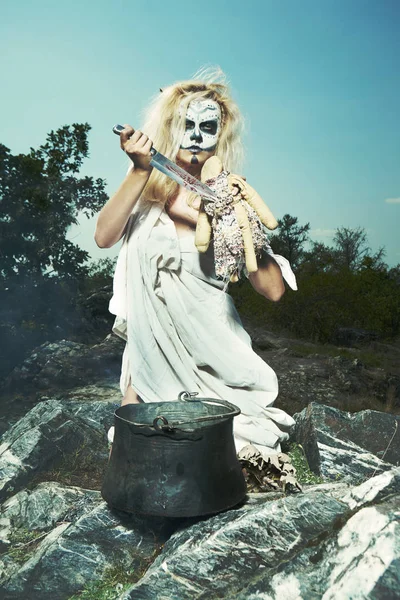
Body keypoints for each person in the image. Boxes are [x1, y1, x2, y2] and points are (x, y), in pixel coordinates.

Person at [95, 69, 297, 457]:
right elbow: (104, 236)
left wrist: (242, 229)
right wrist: (140, 168)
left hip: (215, 354)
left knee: (226, 449)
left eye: (208, 126)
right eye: (187, 124)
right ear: (172, 127)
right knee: (137, 452)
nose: (197, 136)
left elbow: (272, 291)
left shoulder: (229, 198)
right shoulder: (146, 183)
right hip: (151, 355)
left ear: (221, 135)